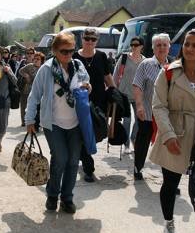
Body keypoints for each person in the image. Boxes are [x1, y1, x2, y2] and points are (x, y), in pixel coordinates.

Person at [150, 29, 195, 233]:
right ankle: (169, 224)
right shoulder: (168, 72)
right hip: (174, 134)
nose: (189, 48)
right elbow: (158, 106)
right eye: (187, 44)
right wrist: (168, 135)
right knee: (170, 184)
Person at [24, 32, 90, 214]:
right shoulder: (46, 69)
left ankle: (67, 198)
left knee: (73, 161)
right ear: (54, 51)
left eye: (71, 50)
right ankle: (52, 195)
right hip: (53, 123)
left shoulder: (78, 65)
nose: (69, 55)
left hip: (76, 122)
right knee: (60, 158)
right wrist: (30, 119)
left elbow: (86, 82)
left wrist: (87, 87)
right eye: (64, 51)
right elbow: (34, 95)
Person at [73, 27, 116, 182]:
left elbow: (107, 76)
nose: (90, 42)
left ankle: (81, 155)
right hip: (79, 102)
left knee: (96, 133)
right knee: (82, 132)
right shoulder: (73, 57)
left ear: (97, 41)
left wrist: (114, 92)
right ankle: (88, 168)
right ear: (82, 39)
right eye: (87, 39)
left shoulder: (101, 56)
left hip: (99, 102)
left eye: (93, 39)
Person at [132, 33, 173, 180]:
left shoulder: (174, 66)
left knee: (168, 145)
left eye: (164, 45)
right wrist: (139, 106)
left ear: (169, 47)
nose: (161, 48)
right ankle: (138, 167)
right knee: (142, 142)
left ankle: (169, 179)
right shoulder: (146, 64)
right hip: (148, 112)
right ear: (153, 48)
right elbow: (137, 85)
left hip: (168, 115)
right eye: (158, 45)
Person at [113, 37, 145, 154]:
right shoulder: (124, 58)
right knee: (127, 120)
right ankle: (126, 144)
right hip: (124, 94)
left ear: (141, 46)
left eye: (136, 45)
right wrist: (113, 89)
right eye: (132, 44)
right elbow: (116, 74)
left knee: (139, 120)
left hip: (138, 95)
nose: (133, 46)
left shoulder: (145, 61)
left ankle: (133, 138)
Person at [18, 51, 46, 131]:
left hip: (40, 92)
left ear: (42, 60)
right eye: (34, 59)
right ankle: (26, 122)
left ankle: (38, 124)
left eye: (38, 59)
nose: (35, 60)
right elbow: (20, 71)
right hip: (28, 89)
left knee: (39, 108)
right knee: (26, 106)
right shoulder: (30, 66)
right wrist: (26, 75)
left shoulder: (44, 68)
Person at [17, 47, 35, 126]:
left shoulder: (37, 61)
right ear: (26, 54)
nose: (30, 55)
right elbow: (17, 73)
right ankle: (24, 121)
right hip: (24, 86)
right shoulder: (23, 62)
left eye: (31, 53)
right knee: (23, 105)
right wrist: (25, 75)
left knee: (34, 105)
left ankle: (33, 121)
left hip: (34, 87)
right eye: (28, 53)